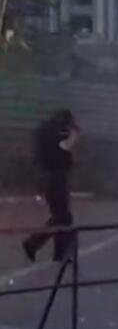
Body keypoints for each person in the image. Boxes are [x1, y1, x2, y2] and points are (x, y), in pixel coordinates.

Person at [22, 109, 80, 264]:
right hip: (55, 177)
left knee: (62, 216)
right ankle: (33, 244)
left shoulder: (44, 129)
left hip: (47, 176)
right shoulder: (54, 132)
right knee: (62, 217)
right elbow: (63, 148)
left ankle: (58, 253)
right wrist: (73, 136)